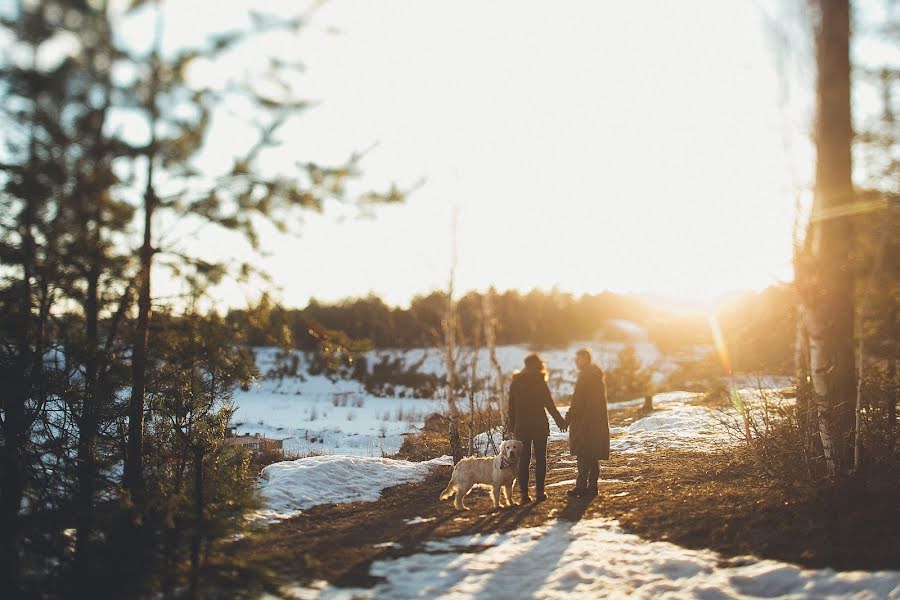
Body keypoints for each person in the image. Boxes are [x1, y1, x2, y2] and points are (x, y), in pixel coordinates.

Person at [508, 353, 567, 503]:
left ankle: (523, 495)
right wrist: (560, 422)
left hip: (521, 427)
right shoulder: (539, 381)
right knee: (541, 459)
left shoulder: (515, 382)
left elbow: (511, 408)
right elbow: (549, 404)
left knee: (523, 461)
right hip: (539, 425)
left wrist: (512, 427)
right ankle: (540, 493)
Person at [565, 347, 610, 498]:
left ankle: (581, 487)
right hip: (595, 421)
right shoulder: (596, 375)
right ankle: (592, 487)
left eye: (578, 359)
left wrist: (567, 419)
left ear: (585, 359)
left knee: (583, 454)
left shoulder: (585, 376)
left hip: (585, 422)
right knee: (592, 454)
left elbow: (578, 402)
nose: (576, 362)